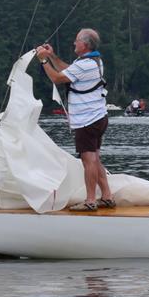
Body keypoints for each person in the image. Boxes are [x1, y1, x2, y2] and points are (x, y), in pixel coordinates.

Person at [35, 28, 115, 212]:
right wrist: (53, 56)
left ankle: (90, 200)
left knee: (88, 160)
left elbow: (57, 78)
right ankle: (107, 196)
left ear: (85, 45)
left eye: (77, 40)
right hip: (98, 117)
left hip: (87, 120)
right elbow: (68, 71)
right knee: (95, 159)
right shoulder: (93, 61)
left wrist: (43, 60)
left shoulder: (85, 64)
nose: (74, 43)